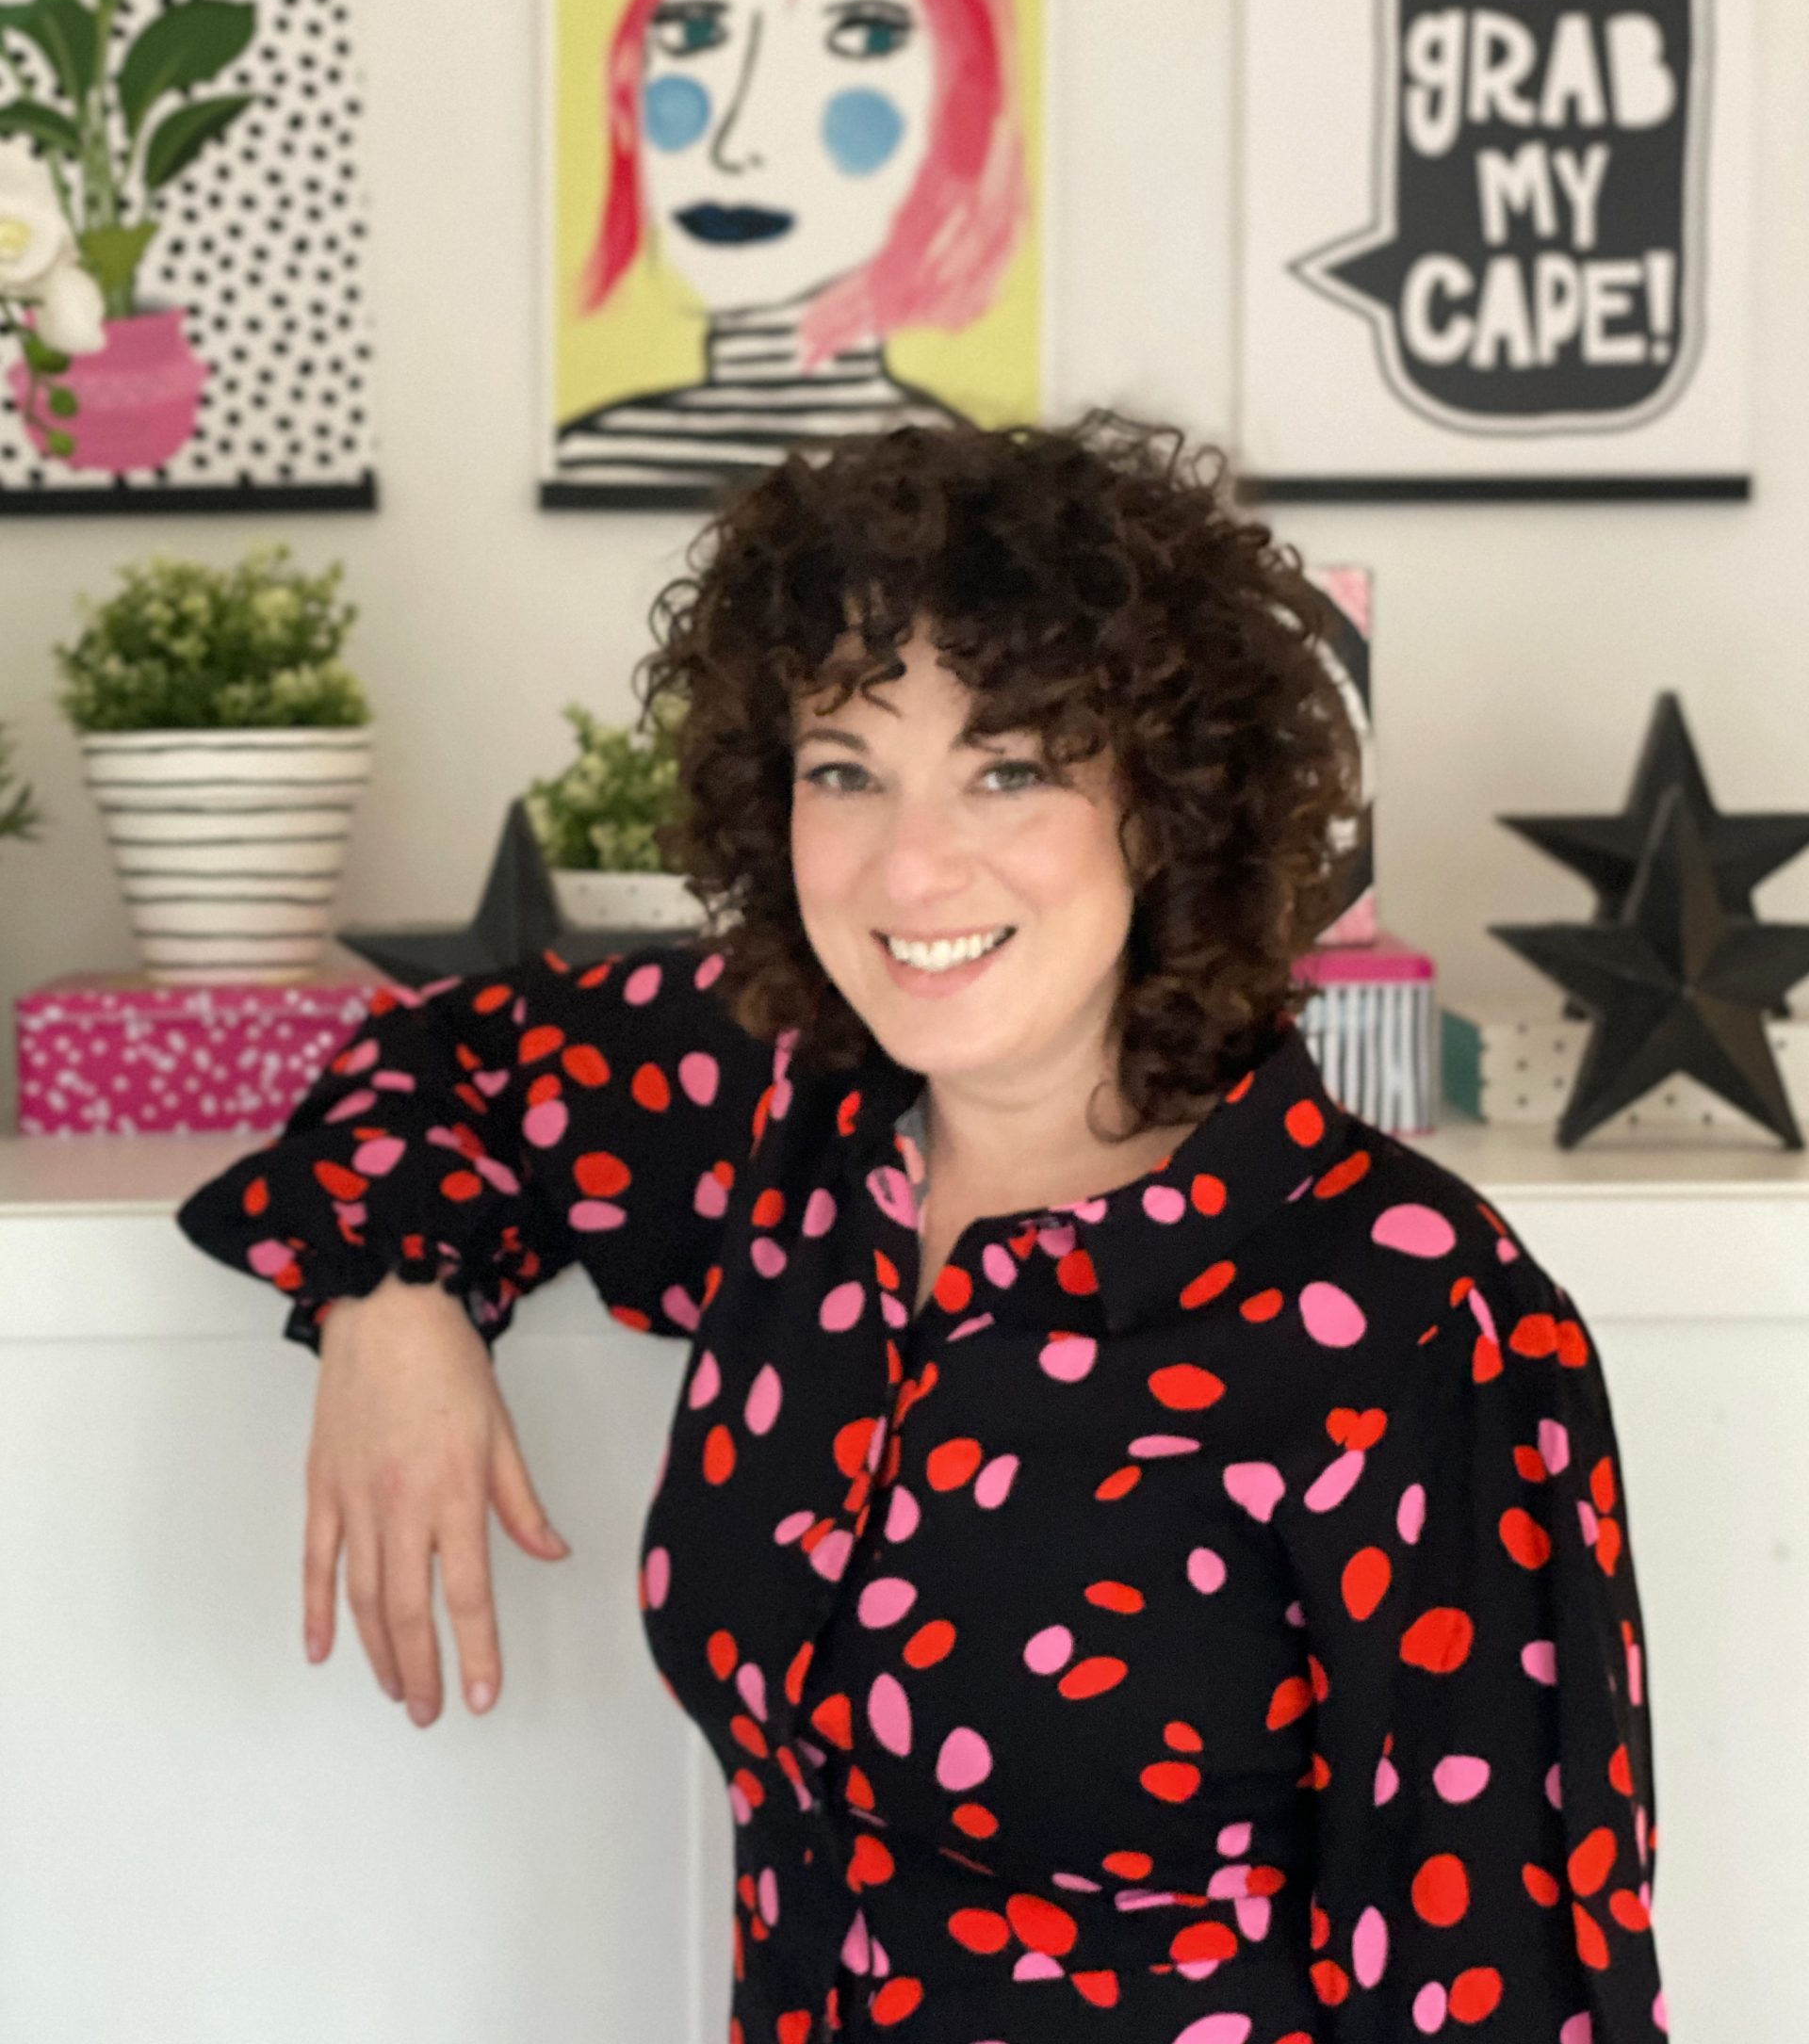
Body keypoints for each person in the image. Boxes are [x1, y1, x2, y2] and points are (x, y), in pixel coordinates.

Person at [175, 414, 1666, 2041]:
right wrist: (396, 1302)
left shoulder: (1414, 1315)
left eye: (1011, 768)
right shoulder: (791, 1116)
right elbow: (437, 1060)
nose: (912, 865)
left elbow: (1511, 1991)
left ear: (1168, 805)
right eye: (845, 771)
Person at [551, 0, 1028, 501]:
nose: (736, 143)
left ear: (957, 111)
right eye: (692, 34)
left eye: (860, 41)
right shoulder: (594, 454)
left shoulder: (971, 506)